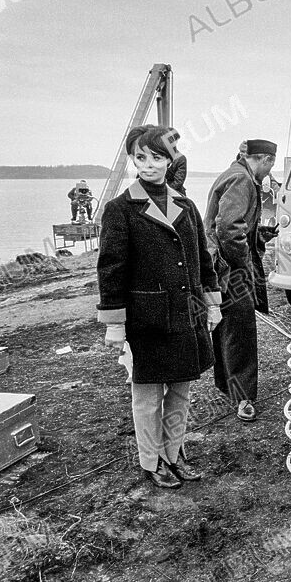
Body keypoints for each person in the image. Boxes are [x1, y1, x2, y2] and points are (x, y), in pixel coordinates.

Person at [96, 124, 222, 489]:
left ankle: (174, 451)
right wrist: (115, 324)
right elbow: (111, 268)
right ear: (132, 159)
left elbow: (203, 259)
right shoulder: (120, 209)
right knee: (148, 396)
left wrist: (212, 304)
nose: (148, 164)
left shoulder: (186, 205)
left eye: (156, 157)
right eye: (140, 157)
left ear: (171, 160)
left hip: (187, 314)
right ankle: (151, 461)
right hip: (146, 319)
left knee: (181, 390)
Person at [205, 139, 277, 422]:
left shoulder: (233, 173)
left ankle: (229, 388)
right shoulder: (242, 179)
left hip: (220, 266)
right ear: (266, 160)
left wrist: (260, 234)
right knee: (241, 333)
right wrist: (243, 260)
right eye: (270, 167)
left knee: (227, 329)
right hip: (230, 269)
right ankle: (243, 398)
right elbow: (228, 228)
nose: (269, 174)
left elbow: (231, 224)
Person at [164, 128, 188, 195]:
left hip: (175, 194)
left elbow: (178, 182)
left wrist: (162, 192)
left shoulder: (180, 158)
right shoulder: (155, 157)